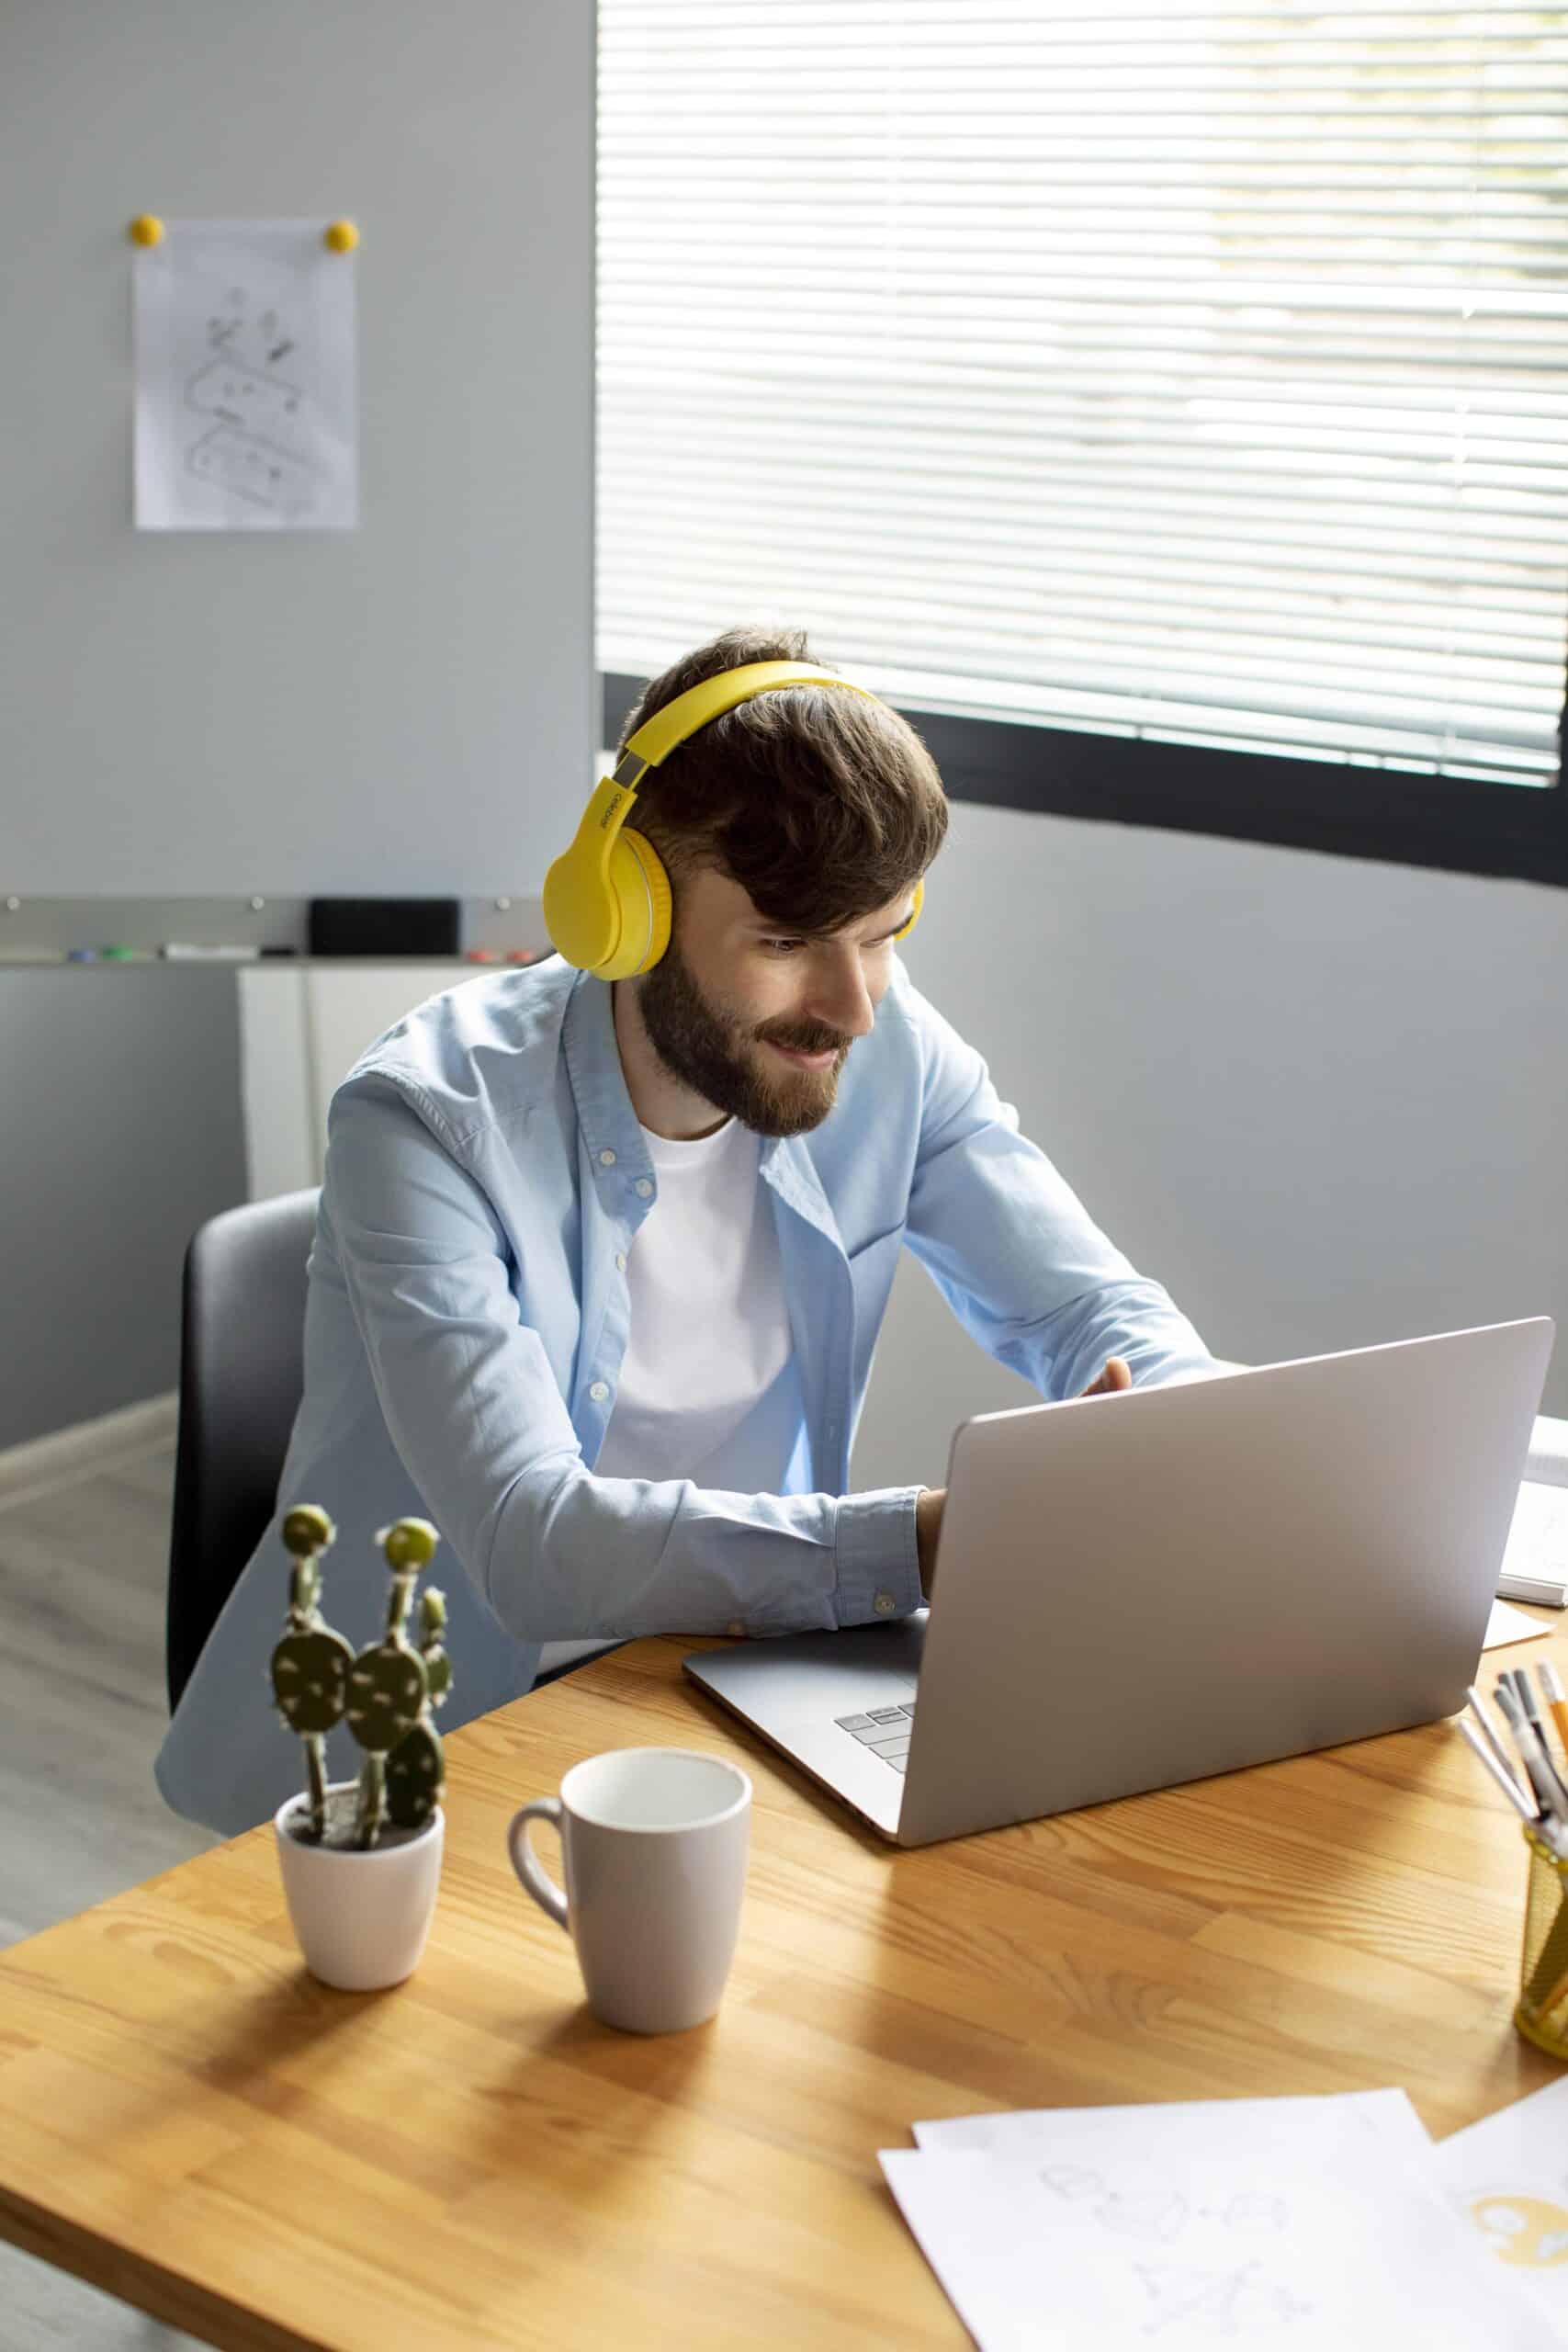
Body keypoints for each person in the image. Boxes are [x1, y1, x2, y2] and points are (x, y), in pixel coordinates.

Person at [157, 626, 1214, 1836]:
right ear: (630, 913)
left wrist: (1183, 1434)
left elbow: (1094, 1310)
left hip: (723, 1682)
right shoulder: (420, 1125)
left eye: (882, 934)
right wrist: (935, 1541)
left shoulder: (887, 1042)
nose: (852, 1008)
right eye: (784, 943)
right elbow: (533, 1541)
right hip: (418, 1758)